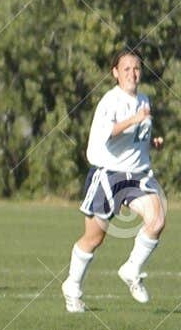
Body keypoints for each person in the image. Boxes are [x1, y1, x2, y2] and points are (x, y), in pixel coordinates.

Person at [62, 47, 166, 312]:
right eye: (127, 69)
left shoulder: (143, 100)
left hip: (138, 176)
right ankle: (72, 287)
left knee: (157, 220)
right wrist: (135, 119)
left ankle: (132, 269)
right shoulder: (111, 101)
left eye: (137, 68)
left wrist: (152, 142)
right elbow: (110, 133)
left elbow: (135, 136)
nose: (133, 73)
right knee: (94, 239)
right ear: (115, 73)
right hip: (108, 174)